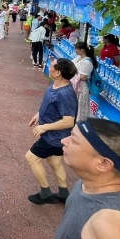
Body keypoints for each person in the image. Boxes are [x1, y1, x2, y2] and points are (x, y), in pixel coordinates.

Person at [26, 58, 78, 205]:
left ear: (58, 73)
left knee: (31, 158)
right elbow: (48, 104)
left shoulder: (65, 94)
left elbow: (68, 121)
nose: (49, 67)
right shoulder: (55, 84)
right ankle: (63, 193)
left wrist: (45, 127)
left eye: (52, 66)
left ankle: (45, 193)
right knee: (54, 162)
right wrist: (38, 115)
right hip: (54, 136)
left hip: (54, 137)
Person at [71, 42, 97, 122]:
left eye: (76, 49)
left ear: (82, 50)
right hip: (75, 85)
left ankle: (79, 126)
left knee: (80, 108)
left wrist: (72, 74)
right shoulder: (78, 58)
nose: (75, 51)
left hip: (81, 88)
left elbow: (83, 77)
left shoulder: (87, 62)